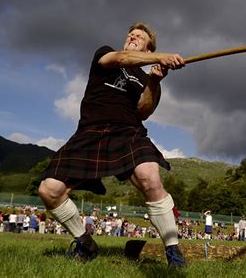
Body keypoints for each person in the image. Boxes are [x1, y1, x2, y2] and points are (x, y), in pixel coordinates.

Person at [38, 22, 186, 266]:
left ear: (148, 50)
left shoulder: (144, 75)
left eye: (139, 37)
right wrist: (164, 56)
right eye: (131, 34)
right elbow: (119, 58)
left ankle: (173, 252)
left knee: (149, 176)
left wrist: (154, 82)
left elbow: (143, 111)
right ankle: (85, 243)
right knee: (49, 190)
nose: (132, 37)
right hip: (90, 131)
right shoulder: (107, 53)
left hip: (128, 131)